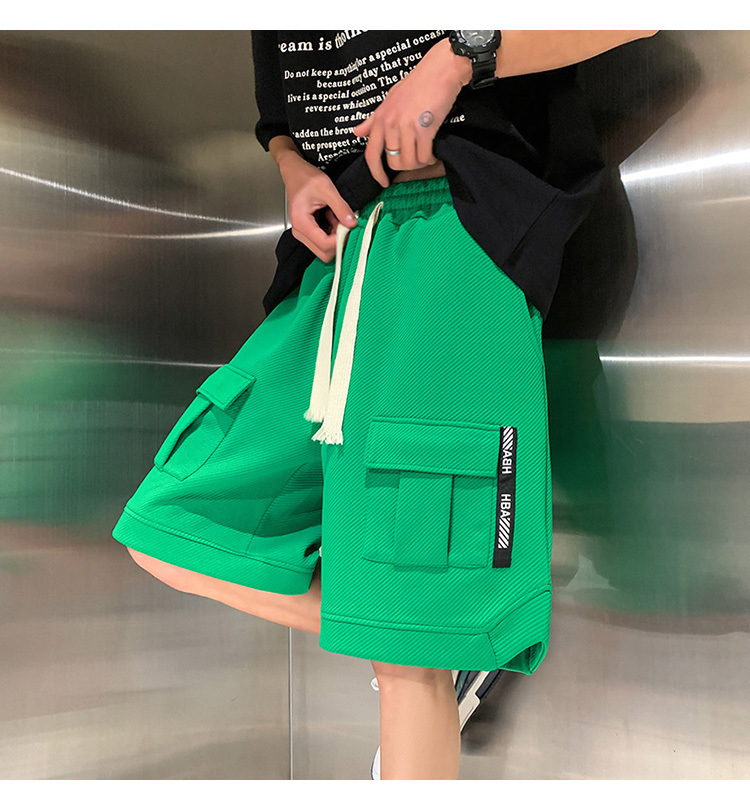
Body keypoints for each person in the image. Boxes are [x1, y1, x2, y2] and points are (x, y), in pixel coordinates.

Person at [111, 29, 658, 780]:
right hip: (337, 248)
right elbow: (281, 110)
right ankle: (447, 627)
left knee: (407, 667)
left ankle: (436, 632)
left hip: (454, 236)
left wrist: (459, 58)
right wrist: (294, 169)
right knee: (167, 527)